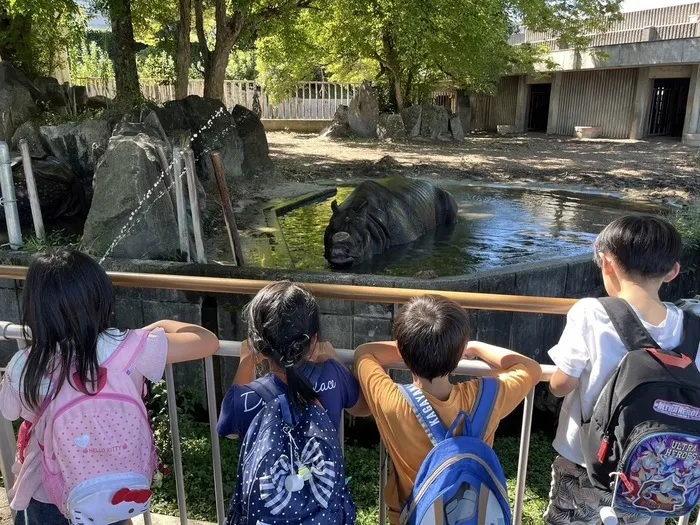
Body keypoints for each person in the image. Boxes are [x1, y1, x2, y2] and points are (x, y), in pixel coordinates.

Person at [0, 249, 220, 525]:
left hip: (46, 494)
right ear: (100, 297)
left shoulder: (24, 363)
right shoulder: (132, 348)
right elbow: (206, 341)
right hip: (113, 490)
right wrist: (157, 328)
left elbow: (10, 412)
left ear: (36, 307)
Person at [544, 215, 694, 525]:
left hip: (586, 462)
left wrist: (550, 382)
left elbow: (563, 384)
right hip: (657, 471)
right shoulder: (692, 328)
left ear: (607, 262)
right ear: (672, 271)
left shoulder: (591, 312)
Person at [354, 294, 542, 525]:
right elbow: (531, 368)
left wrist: (410, 344)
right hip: (472, 514)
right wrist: (474, 347)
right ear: (459, 353)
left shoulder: (392, 401)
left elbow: (365, 352)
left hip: (412, 516)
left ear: (403, 350)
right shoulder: (487, 396)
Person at [217, 280, 369, 440]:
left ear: (257, 343)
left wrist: (246, 363)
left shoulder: (243, 398)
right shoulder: (334, 374)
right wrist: (334, 357)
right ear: (313, 340)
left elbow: (231, 433)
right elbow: (363, 408)